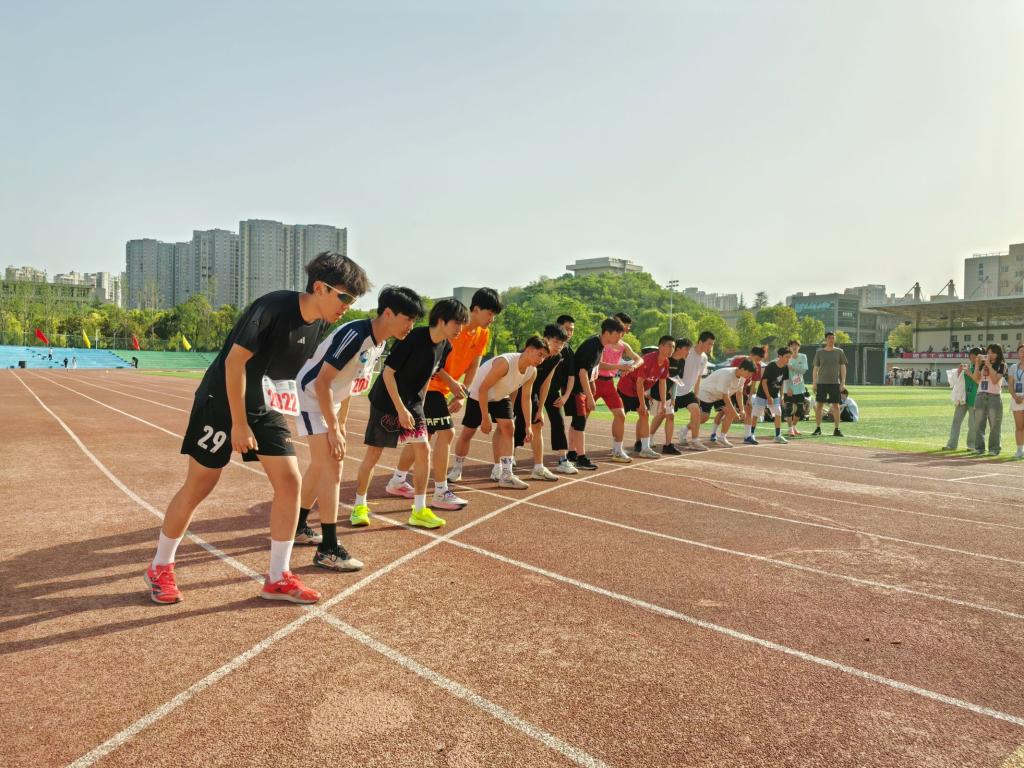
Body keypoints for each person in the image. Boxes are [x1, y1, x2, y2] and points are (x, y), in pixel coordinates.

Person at [144, 251, 370, 605]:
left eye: (352, 301)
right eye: (344, 297)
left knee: (290, 482)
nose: (347, 306)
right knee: (200, 485)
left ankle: (278, 576)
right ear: (319, 288)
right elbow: (235, 363)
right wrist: (238, 423)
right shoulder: (272, 307)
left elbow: (289, 376)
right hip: (221, 402)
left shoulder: (318, 325)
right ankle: (160, 566)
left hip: (264, 407)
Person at [292, 286, 423, 571]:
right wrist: (333, 428)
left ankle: (298, 527)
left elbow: (348, 385)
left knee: (320, 466)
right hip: (311, 395)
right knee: (333, 466)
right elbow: (321, 382)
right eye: (408, 319)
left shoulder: (379, 344)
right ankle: (328, 549)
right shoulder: (355, 335)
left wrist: (340, 424)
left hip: (329, 400)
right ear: (388, 313)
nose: (411, 326)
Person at [350, 298, 468, 529]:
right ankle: (359, 506)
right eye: (457, 323)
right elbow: (388, 374)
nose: (460, 329)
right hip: (386, 400)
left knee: (423, 450)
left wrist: (427, 399)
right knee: (374, 453)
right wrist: (400, 409)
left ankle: (419, 510)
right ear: (441, 320)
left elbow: (432, 372)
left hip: (413, 402)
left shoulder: (445, 346)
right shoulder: (413, 338)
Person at [386, 288, 502, 511]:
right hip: (429, 385)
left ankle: (397, 480)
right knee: (446, 433)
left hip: (444, 389)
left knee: (424, 435)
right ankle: (440, 491)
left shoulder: (483, 334)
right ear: (476, 309)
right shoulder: (452, 328)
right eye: (489, 313)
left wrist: (463, 394)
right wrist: (451, 383)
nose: (492, 319)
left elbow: (474, 366)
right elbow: (433, 360)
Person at [449, 336, 549, 488]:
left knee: (509, 428)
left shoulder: (532, 371)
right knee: (468, 433)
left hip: (501, 397)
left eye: (544, 357)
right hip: (479, 395)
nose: (541, 360)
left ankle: (506, 475)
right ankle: (457, 469)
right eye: (540, 354)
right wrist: (485, 418)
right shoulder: (505, 363)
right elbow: (483, 389)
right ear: (529, 350)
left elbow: (526, 398)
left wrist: (528, 425)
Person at [564, 317, 626, 470]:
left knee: (577, 422)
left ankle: (572, 453)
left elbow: (592, 369)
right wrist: (590, 397)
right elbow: (582, 372)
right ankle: (581, 458)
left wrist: (592, 387)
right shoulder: (593, 346)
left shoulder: (599, 345)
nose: (620, 338)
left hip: (579, 388)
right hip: (576, 388)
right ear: (608, 333)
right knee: (580, 422)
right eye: (618, 334)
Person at [513, 324, 570, 480]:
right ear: (546, 339)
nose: (559, 346)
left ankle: (538, 468)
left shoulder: (557, 357)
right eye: (556, 342)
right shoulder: (529, 353)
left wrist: (540, 410)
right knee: (508, 426)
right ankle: (504, 463)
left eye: (562, 343)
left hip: (532, 393)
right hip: (514, 390)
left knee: (537, 425)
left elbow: (546, 383)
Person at [594, 312, 643, 462]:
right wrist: (620, 367)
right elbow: (597, 364)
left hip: (609, 384)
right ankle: (574, 451)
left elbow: (639, 359)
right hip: (594, 381)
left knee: (620, 415)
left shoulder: (623, 345)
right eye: (625, 327)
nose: (627, 330)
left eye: (627, 328)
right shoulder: (601, 342)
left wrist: (632, 367)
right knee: (583, 415)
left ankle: (617, 450)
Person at [618, 335, 675, 458]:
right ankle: (616, 449)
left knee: (645, 415)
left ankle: (645, 448)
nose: (672, 349)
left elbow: (662, 382)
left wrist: (663, 403)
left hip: (639, 390)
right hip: (626, 388)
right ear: (661, 347)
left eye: (673, 347)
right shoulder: (648, 360)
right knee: (620, 417)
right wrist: (642, 404)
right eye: (669, 346)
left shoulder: (666, 362)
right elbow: (639, 383)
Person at [697, 360, 756, 447]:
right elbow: (725, 396)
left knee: (729, 413)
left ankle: (722, 437)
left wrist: (742, 410)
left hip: (719, 395)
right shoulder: (727, 374)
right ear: (742, 369)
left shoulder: (742, 378)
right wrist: (735, 413)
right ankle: (685, 430)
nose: (750, 376)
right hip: (707, 393)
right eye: (749, 373)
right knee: (704, 418)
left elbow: (739, 393)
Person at [646, 338, 690, 455]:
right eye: (687, 349)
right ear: (678, 349)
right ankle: (647, 438)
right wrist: (647, 392)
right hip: (655, 392)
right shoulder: (666, 358)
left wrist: (674, 397)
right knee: (659, 416)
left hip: (668, 394)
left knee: (670, 416)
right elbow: (651, 374)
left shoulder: (682, 362)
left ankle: (668, 445)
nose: (688, 352)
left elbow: (676, 380)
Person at [546, 315, 579, 473]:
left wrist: (565, 397)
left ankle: (562, 459)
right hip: (532, 389)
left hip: (553, 392)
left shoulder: (568, 352)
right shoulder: (540, 346)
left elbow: (572, 376)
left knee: (559, 422)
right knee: (525, 422)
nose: (569, 333)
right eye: (567, 329)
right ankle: (510, 456)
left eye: (572, 330)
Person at [674, 331, 716, 451]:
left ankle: (695, 441)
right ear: (700, 342)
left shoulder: (704, 358)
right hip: (674, 390)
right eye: (709, 344)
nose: (710, 347)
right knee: (663, 416)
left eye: (712, 344)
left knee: (696, 411)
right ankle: (649, 437)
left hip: (687, 392)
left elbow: (698, 377)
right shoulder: (687, 352)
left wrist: (696, 395)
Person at [942, 347, 981, 451]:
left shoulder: (982, 368)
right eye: (971, 357)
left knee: (972, 425)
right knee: (956, 422)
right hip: (963, 398)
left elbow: (980, 382)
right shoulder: (967, 367)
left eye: (975, 357)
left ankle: (971, 445)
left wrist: (970, 374)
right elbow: (955, 382)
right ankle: (951, 445)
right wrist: (959, 372)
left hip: (974, 399)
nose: (972, 359)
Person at [973, 343, 1008, 456]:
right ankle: (979, 448)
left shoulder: (1002, 365)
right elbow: (976, 379)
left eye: (993, 352)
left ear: (998, 354)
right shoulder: (983, 364)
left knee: (994, 425)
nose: (990, 355)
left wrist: (989, 365)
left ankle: (994, 448)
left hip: (994, 397)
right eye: (988, 352)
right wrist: (977, 364)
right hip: (980, 395)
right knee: (979, 424)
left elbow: (994, 380)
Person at [812, 332, 848, 437]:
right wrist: (814, 383)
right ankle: (818, 428)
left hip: (835, 383)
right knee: (819, 405)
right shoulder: (819, 352)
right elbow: (815, 368)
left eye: (833, 338)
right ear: (826, 339)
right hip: (821, 383)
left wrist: (843, 382)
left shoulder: (839, 351)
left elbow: (843, 367)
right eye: (829, 338)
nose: (831, 340)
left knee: (836, 406)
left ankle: (837, 429)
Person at [754, 347, 791, 444]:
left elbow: (782, 382)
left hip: (775, 395)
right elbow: (764, 382)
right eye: (787, 357)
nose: (788, 359)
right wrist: (768, 396)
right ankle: (751, 434)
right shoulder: (771, 366)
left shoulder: (785, 367)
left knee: (778, 413)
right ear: (780, 356)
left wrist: (781, 396)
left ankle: (778, 436)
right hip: (762, 393)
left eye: (789, 357)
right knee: (756, 414)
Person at [782, 339, 809, 436]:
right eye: (792, 345)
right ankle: (790, 429)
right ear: (789, 347)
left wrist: (792, 368)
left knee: (801, 409)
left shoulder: (803, 357)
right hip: (788, 388)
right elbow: (785, 375)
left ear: (799, 347)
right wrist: (789, 388)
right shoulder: (787, 358)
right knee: (788, 409)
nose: (794, 347)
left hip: (800, 388)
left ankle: (793, 426)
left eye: (796, 345)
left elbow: (803, 371)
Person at [1010, 343, 1024, 459]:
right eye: (1021, 351)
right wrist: (1015, 397)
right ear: (1018, 354)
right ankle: (1019, 450)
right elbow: (1010, 385)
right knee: (1019, 426)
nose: (1023, 353)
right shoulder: (1013, 367)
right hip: (1016, 399)